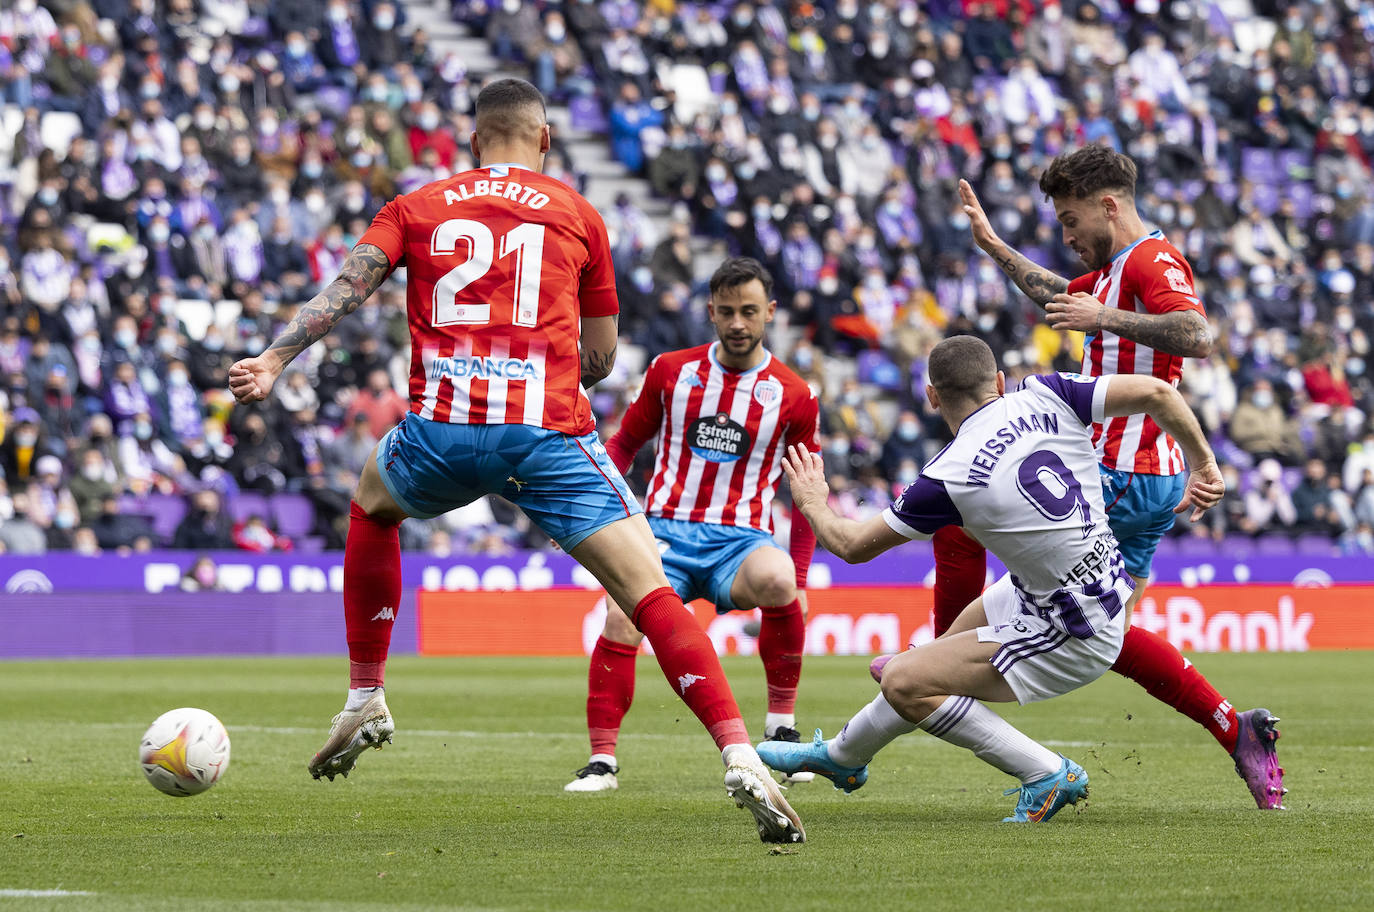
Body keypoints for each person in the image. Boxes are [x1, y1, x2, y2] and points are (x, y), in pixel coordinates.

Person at [228, 79, 803, 844]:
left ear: (474, 141)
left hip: (441, 431)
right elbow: (598, 353)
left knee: (372, 505)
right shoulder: (577, 213)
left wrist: (275, 358)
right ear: (545, 139)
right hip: (545, 434)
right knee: (648, 593)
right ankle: (739, 752)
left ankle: (366, 691)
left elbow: (349, 288)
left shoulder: (417, 205)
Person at [760, 336, 1237, 821]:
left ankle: (1047, 773)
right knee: (931, 661)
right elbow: (1159, 393)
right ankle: (844, 757)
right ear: (1000, 382)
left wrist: (812, 500)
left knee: (904, 680)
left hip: (1072, 629)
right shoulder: (1047, 392)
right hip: (1091, 586)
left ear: (932, 398)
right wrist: (1203, 462)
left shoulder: (948, 474)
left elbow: (850, 546)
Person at [943, 145, 1285, 809]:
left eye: (1071, 223)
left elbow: (1197, 333)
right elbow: (1053, 293)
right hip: (1142, 478)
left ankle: (928, 666)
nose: (1067, 238)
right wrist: (993, 247)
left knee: (965, 507)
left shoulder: (1151, 260)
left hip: (1116, 471)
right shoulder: (1107, 272)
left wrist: (1103, 319)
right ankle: (1234, 728)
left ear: (1109, 205)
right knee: (1107, 632)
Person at [565, 258, 818, 792]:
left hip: (742, 541)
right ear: (710, 311)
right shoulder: (671, 372)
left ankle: (782, 730)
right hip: (665, 533)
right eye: (726, 312)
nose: (738, 323)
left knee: (780, 582)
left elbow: (805, 491)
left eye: (749, 311)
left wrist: (800, 573)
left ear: (770, 312)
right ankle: (602, 762)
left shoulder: (794, 394)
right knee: (618, 616)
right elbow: (622, 447)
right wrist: (603, 512)